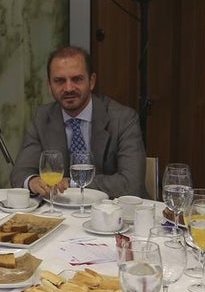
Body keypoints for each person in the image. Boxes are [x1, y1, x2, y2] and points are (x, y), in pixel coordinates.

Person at [10, 46, 146, 197]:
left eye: (77, 79)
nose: (68, 88)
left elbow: (131, 184)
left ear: (92, 81)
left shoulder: (123, 119)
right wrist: (32, 181)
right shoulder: (42, 117)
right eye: (60, 81)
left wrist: (72, 183)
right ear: (49, 86)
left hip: (112, 213)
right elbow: (20, 173)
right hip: (62, 213)